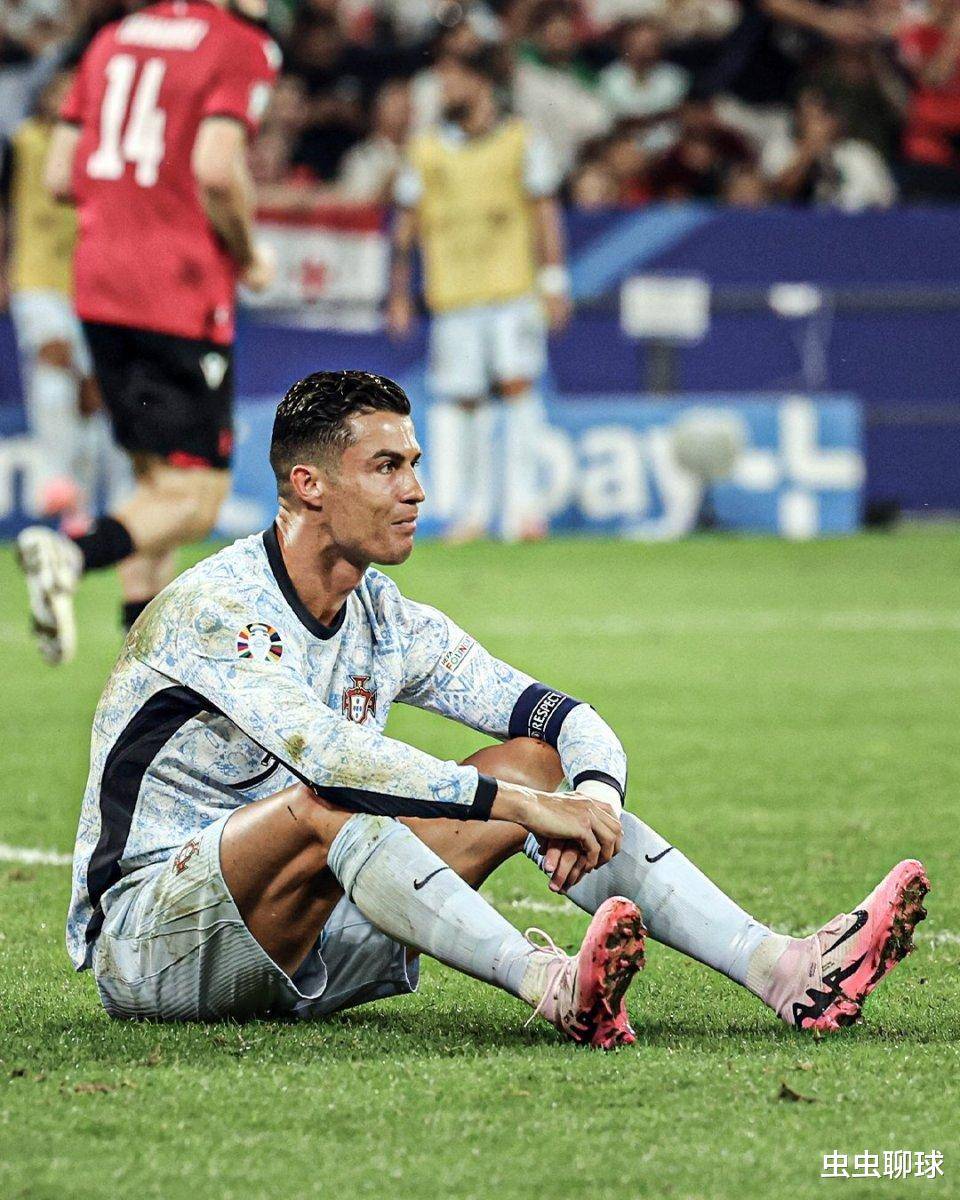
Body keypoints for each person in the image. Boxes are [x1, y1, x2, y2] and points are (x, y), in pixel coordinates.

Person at [69, 369, 929, 1041]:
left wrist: (591, 802)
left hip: (306, 938)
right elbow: (333, 761)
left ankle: (784, 970)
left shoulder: (387, 619)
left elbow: (562, 718)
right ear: (309, 484)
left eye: (415, 464)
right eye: (387, 467)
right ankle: (550, 986)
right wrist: (522, 810)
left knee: (533, 762)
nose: (416, 490)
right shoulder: (219, 606)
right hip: (151, 944)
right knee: (335, 798)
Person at [15, 0, 281, 665]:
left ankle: (146, 675)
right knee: (197, 498)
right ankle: (71, 554)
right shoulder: (238, 42)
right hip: (177, 288)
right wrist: (248, 253)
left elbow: (58, 176)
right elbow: (216, 169)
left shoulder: (112, 38)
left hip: (98, 281)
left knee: (154, 481)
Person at [387, 47, 571, 543]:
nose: (444, 90)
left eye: (453, 80)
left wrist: (555, 281)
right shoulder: (425, 149)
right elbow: (405, 223)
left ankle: (524, 510)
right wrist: (398, 293)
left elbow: (545, 212)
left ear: (481, 84)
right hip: (454, 297)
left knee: (517, 389)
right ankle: (469, 511)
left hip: (512, 291)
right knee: (463, 402)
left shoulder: (520, 141)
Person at [3, 69, 122, 532]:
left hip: (91, 282)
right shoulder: (23, 142)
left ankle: (80, 507)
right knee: (55, 362)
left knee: (90, 395)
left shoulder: (104, 150)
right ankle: (55, 476)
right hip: (35, 277)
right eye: (61, 90)